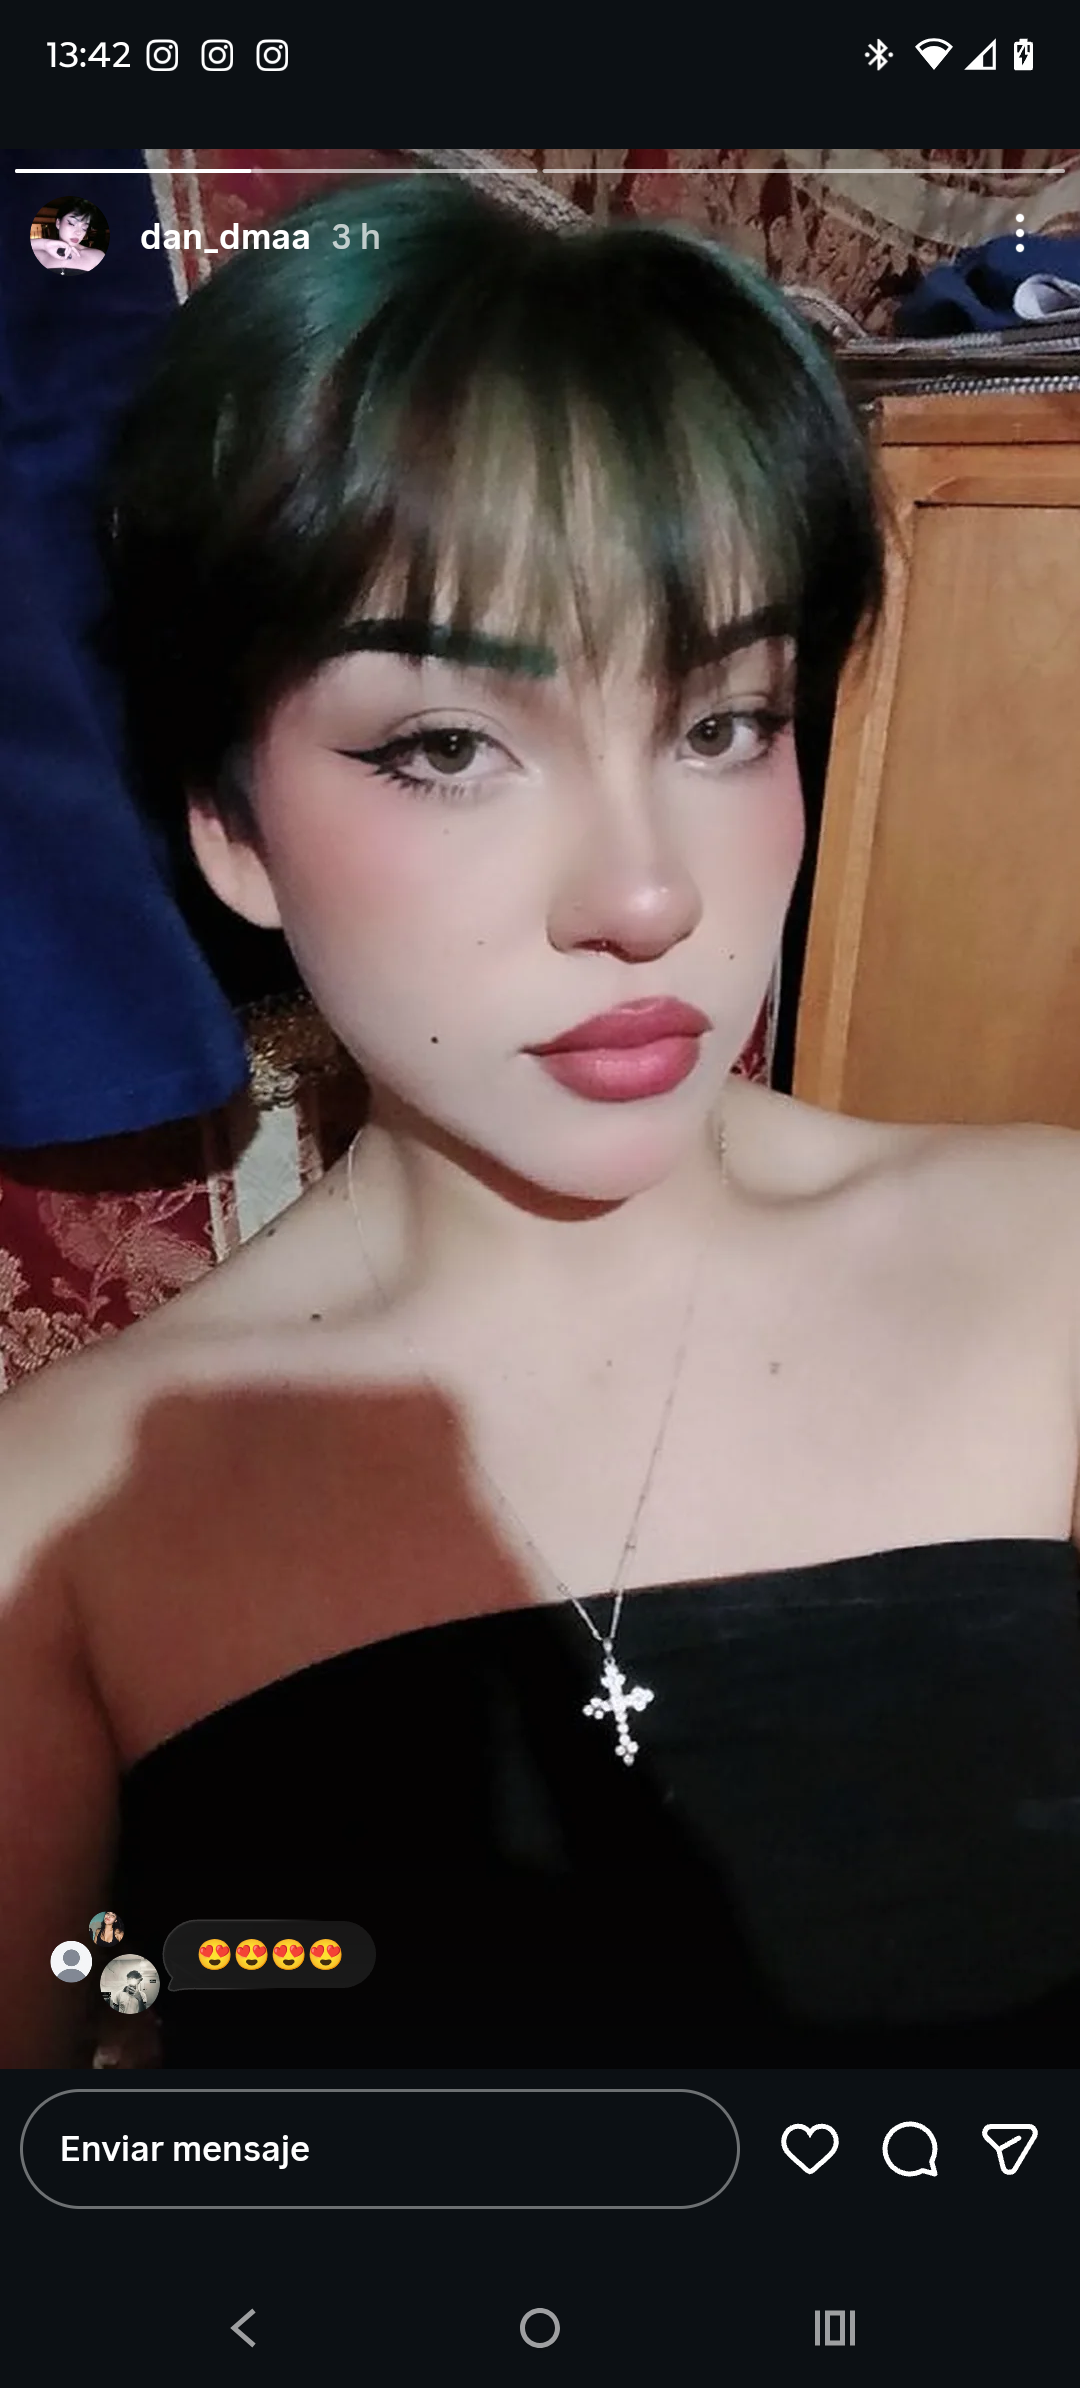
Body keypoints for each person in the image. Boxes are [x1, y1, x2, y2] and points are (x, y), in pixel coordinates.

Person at [4, 178, 1080, 2068]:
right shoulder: (66, 1519)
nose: (648, 896)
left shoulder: (1054, 1267)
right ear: (231, 821)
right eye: (449, 747)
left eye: (723, 722)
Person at [30, 198, 108, 272]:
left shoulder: (97, 257)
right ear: (58, 223)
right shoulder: (39, 254)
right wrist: (44, 244)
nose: (78, 232)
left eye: (84, 228)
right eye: (72, 224)